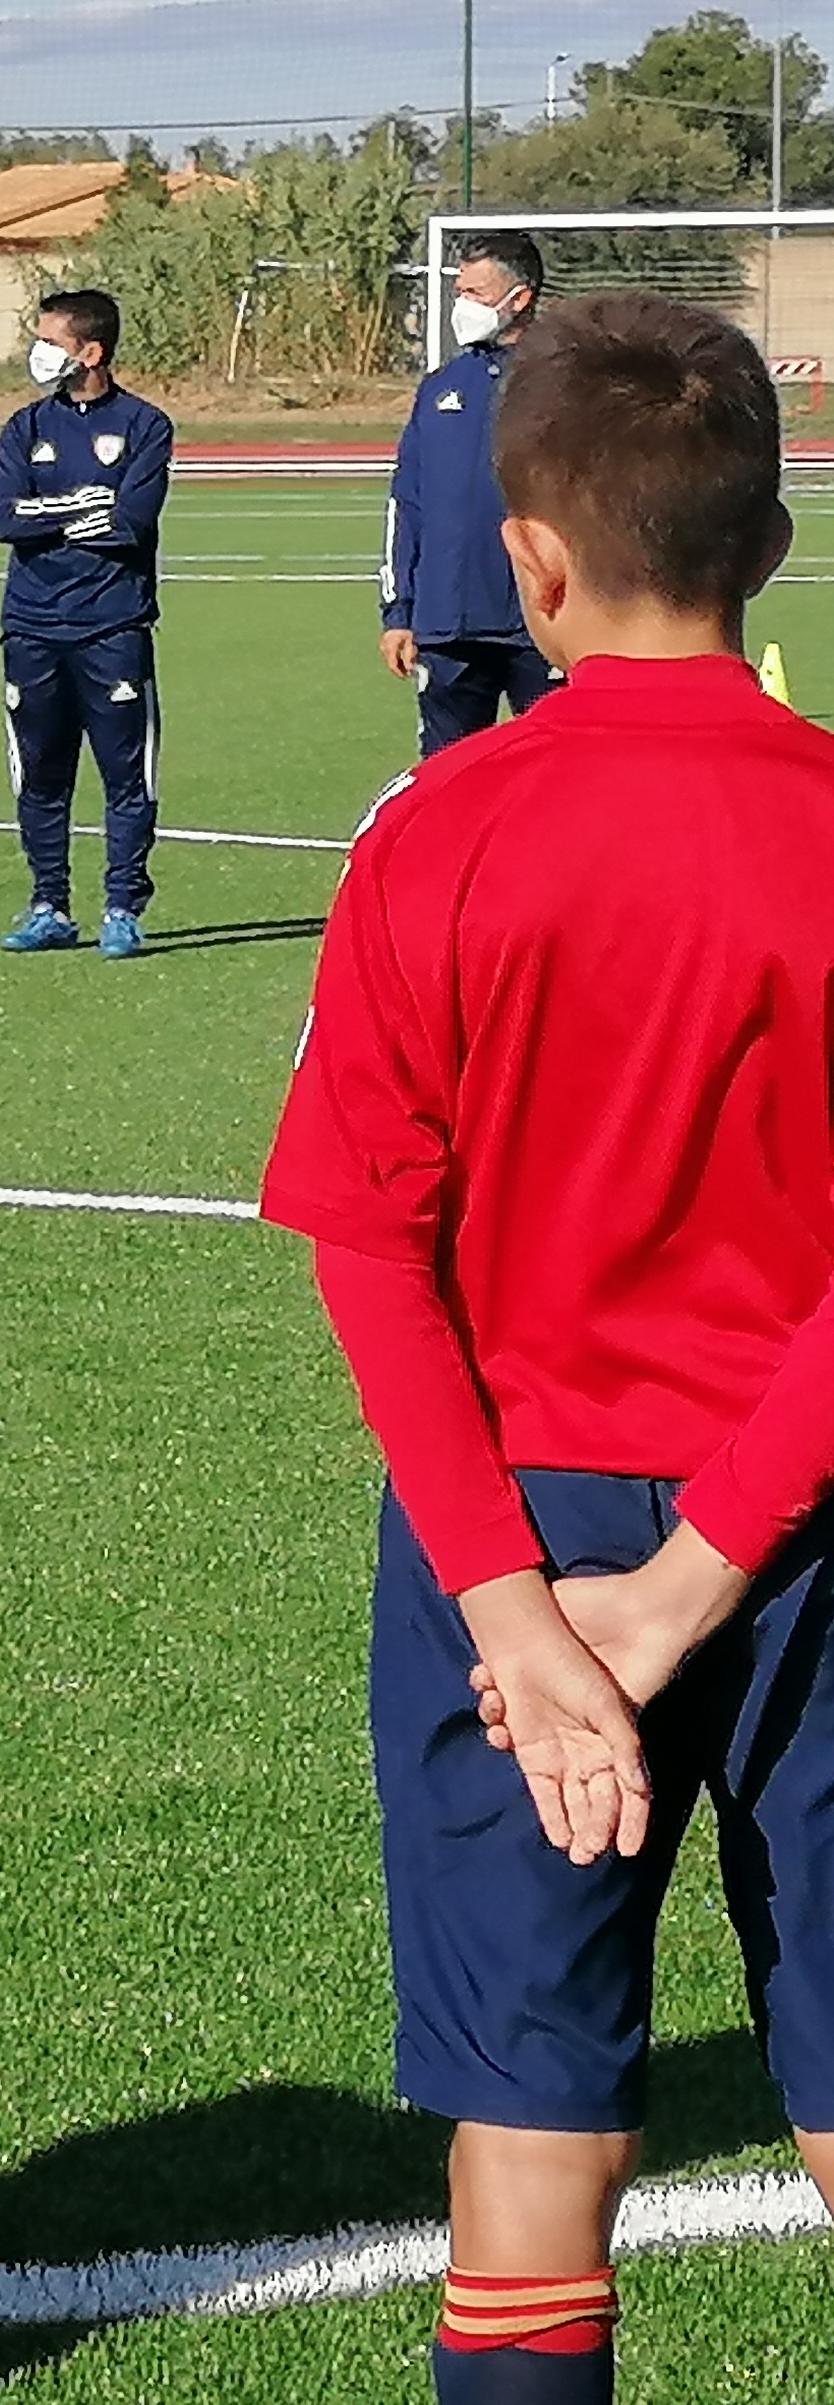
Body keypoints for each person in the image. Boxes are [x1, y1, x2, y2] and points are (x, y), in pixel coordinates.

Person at [263, 293, 834, 2405]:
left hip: (512, 1532)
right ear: (770, 540)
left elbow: (368, 1251)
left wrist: (520, 1610)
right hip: (809, 1520)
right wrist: (704, 1572)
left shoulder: (438, 827)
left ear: (525, 557)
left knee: (534, 2133)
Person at [0, 286, 174, 959]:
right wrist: (83, 506)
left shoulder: (146, 426)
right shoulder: (24, 428)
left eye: (50, 341)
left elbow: (130, 523)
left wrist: (53, 514)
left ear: (90, 352)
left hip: (112, 627)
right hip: (31, 627)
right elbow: (5, 519)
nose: (37, 353)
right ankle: (49, 905)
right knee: (40, 774)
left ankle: (122, 907)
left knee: (127, 777)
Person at [383, 231, 555, 756]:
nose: (463, 306)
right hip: (448, 630)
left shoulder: (566, 384)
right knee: (448, 781)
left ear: (519, 299)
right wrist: (399, 614)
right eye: (460, 292)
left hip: (543, 627)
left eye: (476, 293)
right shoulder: (439, 388)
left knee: (558, 779)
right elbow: (406, 504)